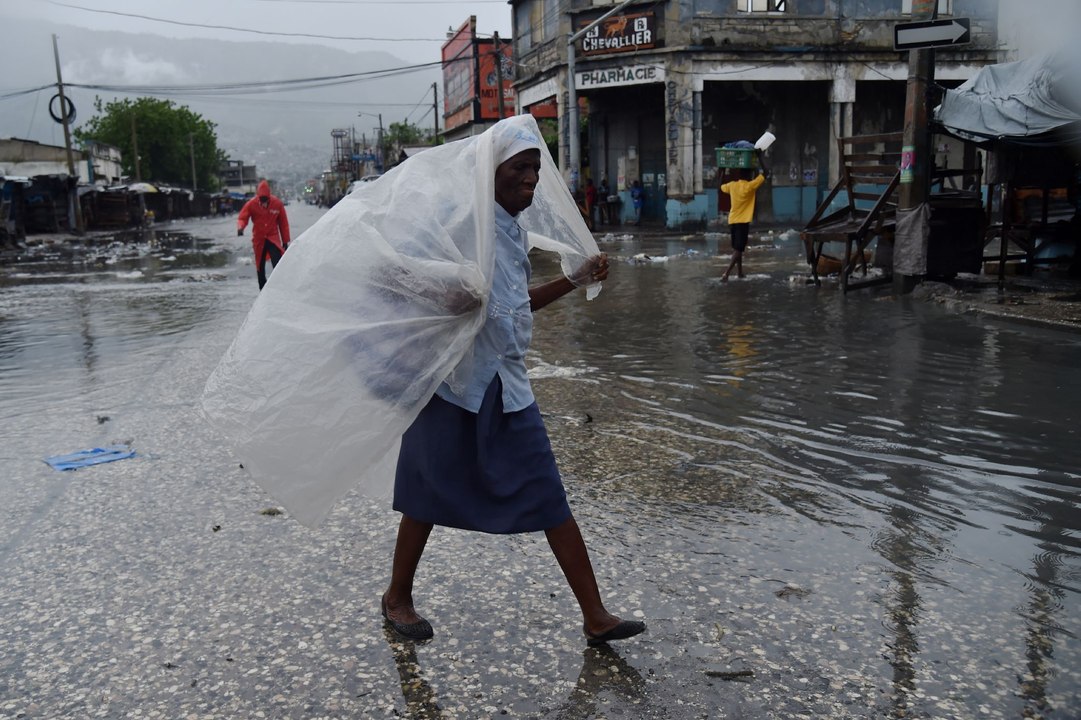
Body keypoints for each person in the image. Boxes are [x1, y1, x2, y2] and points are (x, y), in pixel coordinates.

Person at [381, 119, 646, 648]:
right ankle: (397, 597)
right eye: (519, 168)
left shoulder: (512, 231)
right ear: (490, 171)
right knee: (425, 494)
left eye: (535, 170)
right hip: (454, 383)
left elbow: (512, 304)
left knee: (548, 493)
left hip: (506, 382)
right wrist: (448, 295)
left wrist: (573, 280)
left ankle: (595, 616)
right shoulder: (460, 224)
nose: (530, 179)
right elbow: (396, 273)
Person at [237, 180, 291, 289]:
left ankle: (279, 287)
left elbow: (283, 223)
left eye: (265, 200)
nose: (264, 203)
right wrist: (240, 228)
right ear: (258, 197)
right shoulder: (251, 204)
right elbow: (242, 217)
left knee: (277, 263)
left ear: (269, 197)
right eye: (261, 200)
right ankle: (262, 290)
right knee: (260, 266)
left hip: (273, 238)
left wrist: (285, 241)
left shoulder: (277, 204)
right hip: (259, 239)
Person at [719, 167, 766, 281]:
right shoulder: (750, 186)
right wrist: (760, 159)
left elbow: (721, 186)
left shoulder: (732, 185)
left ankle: (740, 272)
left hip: (732, 220)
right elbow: (766, 173)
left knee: (737, 248)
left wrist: (723, 172)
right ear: (749, 176)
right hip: (743, 221)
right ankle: (726, 273)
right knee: (738, 249)